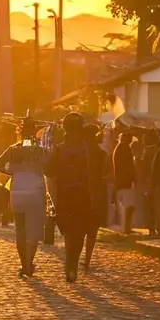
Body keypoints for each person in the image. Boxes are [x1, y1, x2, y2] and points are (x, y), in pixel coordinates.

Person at [49, 112, 101, 282]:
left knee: (79, 235)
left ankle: (72, 264)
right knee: (70, 234)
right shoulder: (58, 150)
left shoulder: (88, 150)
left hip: (82, 197)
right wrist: (53, 199)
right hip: (67, 197)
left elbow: (96, 173)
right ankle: (70, 264)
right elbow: (50, 173)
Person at [0, 116, 50, 278]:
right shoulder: (41, 150)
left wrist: (14, 172)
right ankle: (29, 263)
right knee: (33, 229)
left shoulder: (13, 149)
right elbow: (49, 167)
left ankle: (23, 263)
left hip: (17, 189)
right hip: (36, 189)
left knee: (20, 229)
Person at [83, 122, 110, 271]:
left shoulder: (79, 153)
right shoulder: (101, 153)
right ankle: (87, 259)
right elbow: (107, 173)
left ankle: (76, 257)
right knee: (92, 230)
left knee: (79, 229)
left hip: (81, 192)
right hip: (97, 193)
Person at [112, 131, 137, 234]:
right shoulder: (125, 148)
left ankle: (126, 228)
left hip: (121, 181)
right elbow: (128, 166)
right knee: (129, 206)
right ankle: (126, 229)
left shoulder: (119, 148)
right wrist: (133, 177)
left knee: (126, 206)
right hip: (125, 181)